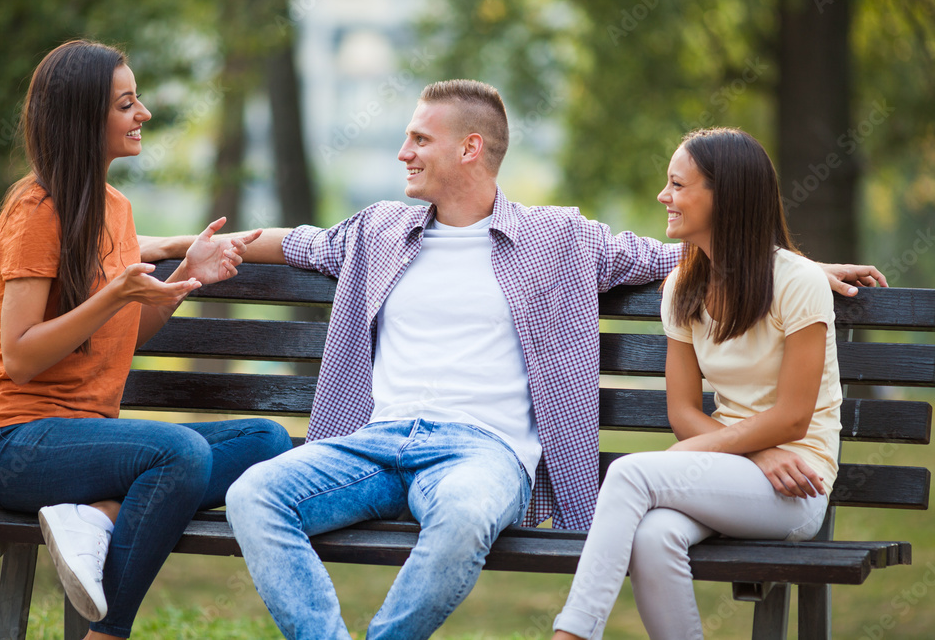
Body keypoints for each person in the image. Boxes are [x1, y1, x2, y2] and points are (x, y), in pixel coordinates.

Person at [154, 80, 883, 640]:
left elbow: (692, 250)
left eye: (418, 140)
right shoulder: (377, 229)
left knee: (466, 518)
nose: (403, 153)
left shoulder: (558, 238)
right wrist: (174, 247)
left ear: (470, 148)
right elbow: (293, 239)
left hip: (484, 454)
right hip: (372, 446)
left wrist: (801, 266)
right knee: (256, 495)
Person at [0, 40, 292, 640]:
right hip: (16, 444)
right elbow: (22, 357)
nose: (142, 113)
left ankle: (97, 515)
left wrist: (176, 285)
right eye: (126, 103)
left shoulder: (114, 207)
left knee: (266, 440)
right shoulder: (36, 209)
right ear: (83, 116)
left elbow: (118, 337)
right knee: (181, 454)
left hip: (86, 442)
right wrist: (114, 293)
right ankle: (107, 633)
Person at [551, 127, 847, 640]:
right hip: (733, 467)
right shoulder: (683, 288)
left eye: (678, 185)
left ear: (724, 195)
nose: (664, 197)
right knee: (652, 535)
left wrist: (755, 454)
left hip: (797, 481)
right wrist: (753, 453)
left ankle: (571, 635)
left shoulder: (798, 283)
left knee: (628, 475)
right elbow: (683, 412)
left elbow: (795, 417)